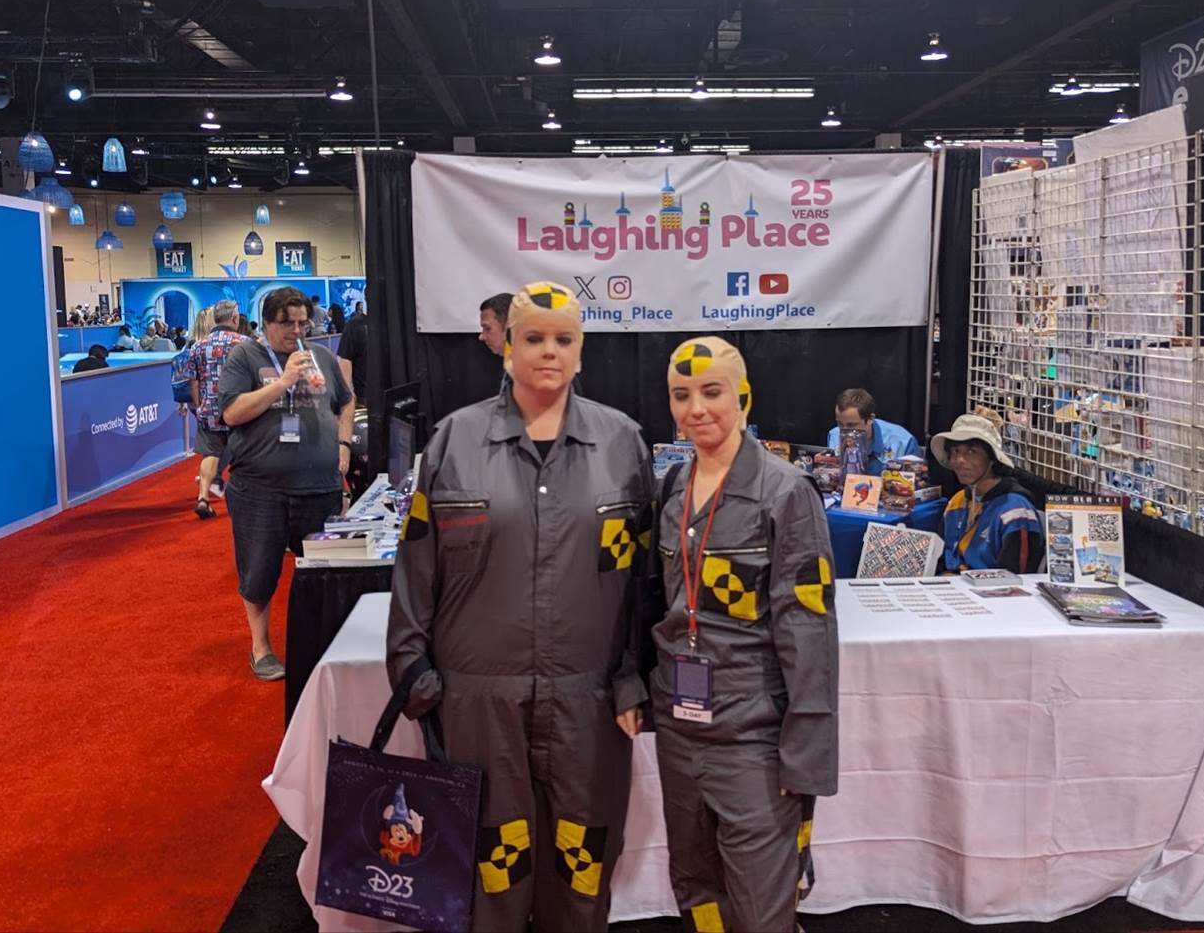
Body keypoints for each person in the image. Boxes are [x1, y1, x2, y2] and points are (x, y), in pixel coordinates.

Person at [388, 281, 652, 932]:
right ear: (508, 346)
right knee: (488, 879)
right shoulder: (454, 441)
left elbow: (644, 581)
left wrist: (634, 675)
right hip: (479, 703)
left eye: (564, 339)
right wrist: (414, 673)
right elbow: (415, 565)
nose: (548, 352)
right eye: (533, 338)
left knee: (581, 873)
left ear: (581, 352)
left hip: (588, 705)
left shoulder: (623, 444)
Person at [649, 336, 839, 933]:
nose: (696, 409)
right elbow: (654, 604)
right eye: (681, 395)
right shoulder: (672, 487)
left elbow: (810, 630)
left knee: (761, 905)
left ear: (744, 398)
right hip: (679, 730)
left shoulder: (786, 492)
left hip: (753, 738)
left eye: (712, 392)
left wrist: (805, 757)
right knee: (696, 886)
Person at [220, 287, 353, 680]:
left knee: (322, 571)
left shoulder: (322, 356)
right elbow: (232, 413)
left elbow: (346, 400)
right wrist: (283, 382)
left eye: (302, 323)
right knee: (259, 571)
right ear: (266, 323)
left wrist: (344, 442)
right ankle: (261, 648)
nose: (297, 331)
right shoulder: (245, 357)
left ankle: (321, 641)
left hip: (320, 486)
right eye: (287, 323)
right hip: (260, 489)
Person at [932, 411, 1044, 574]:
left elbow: (1017, 579)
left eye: (971, 451)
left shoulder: (1015, 511)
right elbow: (939, 558)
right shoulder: (957, 501)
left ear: (991, 458)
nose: (959, 460)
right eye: (955, 451)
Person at [187, 300, 249, 519]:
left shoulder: (198, 346)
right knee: (244, 454)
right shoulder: (245, 344)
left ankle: (203, 498)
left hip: (209, 410)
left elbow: (193, 382)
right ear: (234, 318)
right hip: (239, 408)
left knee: (210, 454)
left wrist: (198, 407)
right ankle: (243, 500)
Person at [824, 387, 921, 474]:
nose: (845, 432)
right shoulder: (834, 434)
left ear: (870, 419)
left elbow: (917, 482)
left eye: (851, 425)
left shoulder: (903, 442)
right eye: (840, 424)